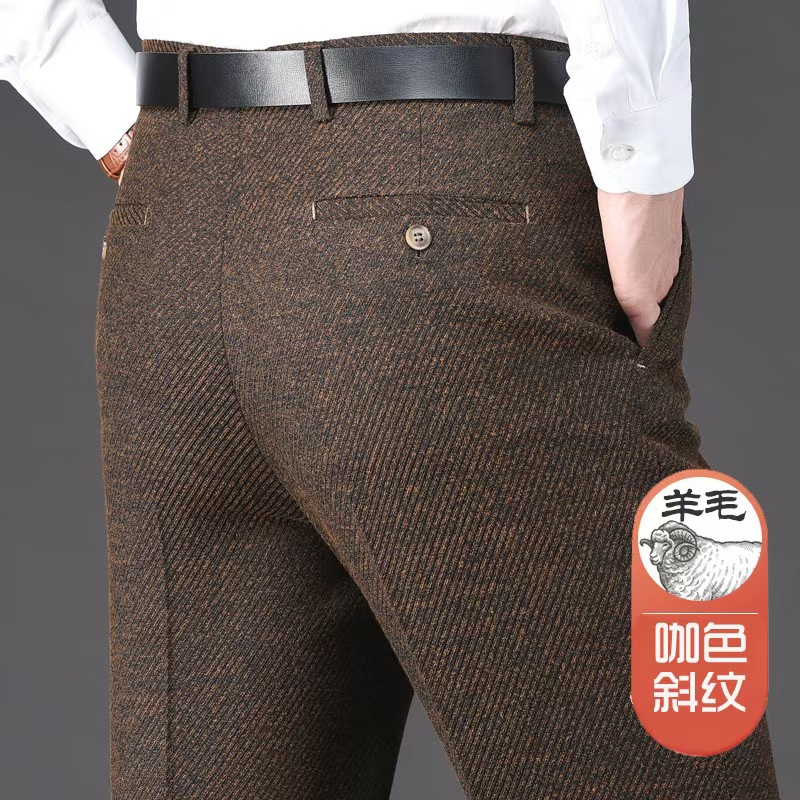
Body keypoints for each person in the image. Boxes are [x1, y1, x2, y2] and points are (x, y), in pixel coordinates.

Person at [0, 2, 782, 799]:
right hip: (445, 188)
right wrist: (639, 159)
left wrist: (103, 102)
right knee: (679, 754)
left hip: (177, 224)